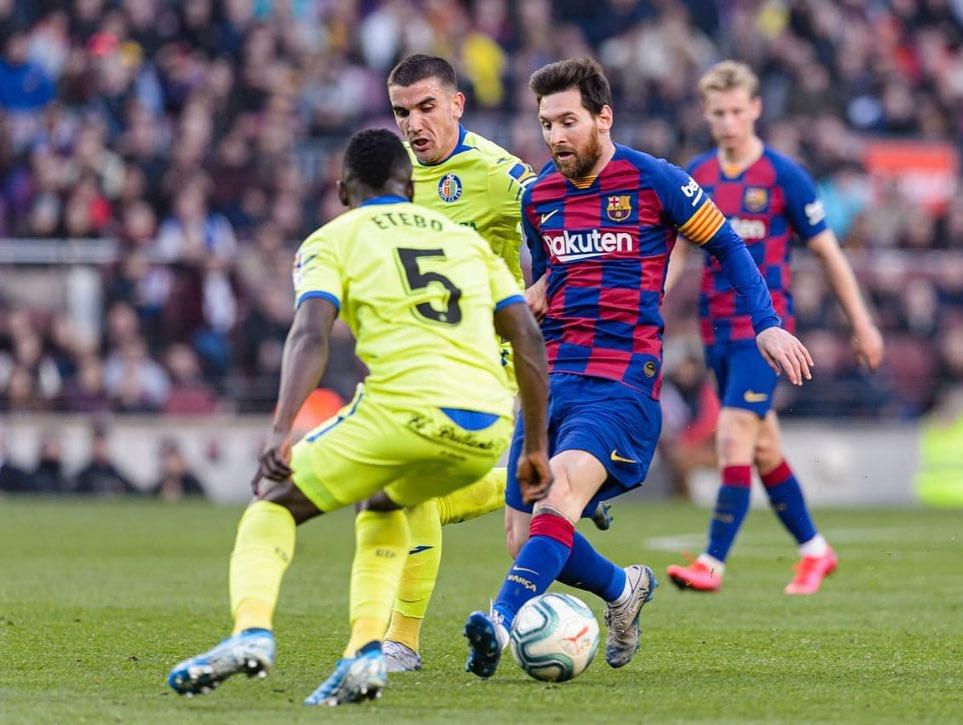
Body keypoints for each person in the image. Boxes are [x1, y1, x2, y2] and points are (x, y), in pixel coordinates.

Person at [166, 129, 550, 706]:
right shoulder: (466, 243)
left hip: (403, 409)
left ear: (343, 191)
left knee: (273, 500)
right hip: (488, 421)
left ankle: (251, 633)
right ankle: (366, 653)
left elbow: (309, 335)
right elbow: (527, 339)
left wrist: (281, 430)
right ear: (410, 186)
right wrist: (535, 445)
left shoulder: (332, 238)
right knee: (386, 503)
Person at [464, 58, 813, 680]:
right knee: (523, 537)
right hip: (550, 380)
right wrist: (537, 291)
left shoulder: (655, 180)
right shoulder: (539, 196)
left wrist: (766, 322)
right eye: (546, 124)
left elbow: (728, 244)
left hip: (620, 377)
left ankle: (500, 618)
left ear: (604, 117)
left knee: (559, 495)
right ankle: (624, 588)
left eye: (568, 122)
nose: (555, 136)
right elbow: (553, 273)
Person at [380, 53, 610, 674]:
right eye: (402, 112)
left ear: (456, 104)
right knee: (416, 501)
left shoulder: (493, 172)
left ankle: (401, 642)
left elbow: (568, 218)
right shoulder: (397, 174)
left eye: (426, 108)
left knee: (410, 494)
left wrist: (546, 288)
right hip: (428, 371)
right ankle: (566, 498)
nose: (414, 124)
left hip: (492, 373)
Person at [665, 61, 883, 595]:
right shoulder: (697, 174)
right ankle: (815, 550)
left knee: (733, 432)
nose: (729, 122)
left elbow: (828, 253)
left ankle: (712, 563)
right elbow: (677, 252)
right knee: (763, 449)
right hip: (715, 330)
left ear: (756, 109)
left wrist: (863, 323)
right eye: (719, 113)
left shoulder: (784, 176)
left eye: (737, 111)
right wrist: (648, 305)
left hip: (765, 332)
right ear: (706, 113)